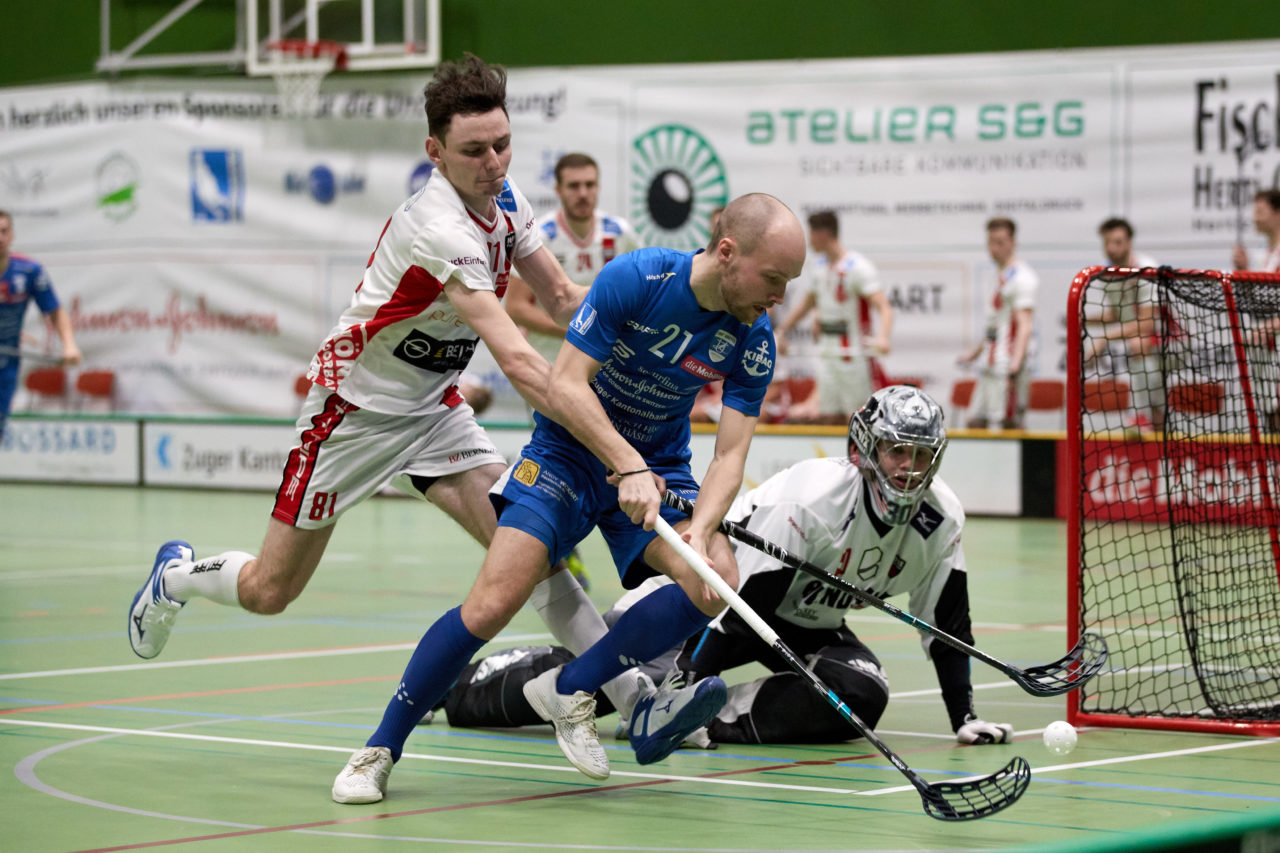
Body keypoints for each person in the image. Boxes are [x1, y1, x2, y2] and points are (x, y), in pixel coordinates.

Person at [126, 56, 651, 736]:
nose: (493, 162)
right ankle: (174, 577)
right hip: (354, 415)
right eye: (473, 151)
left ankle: (639, 697)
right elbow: (518, 357)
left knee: (529, 548)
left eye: (502, 144)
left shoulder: (507, 198)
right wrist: (617, 448)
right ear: (434, 152)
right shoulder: (439, 228)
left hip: (434, 409)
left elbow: (563, 296)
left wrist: (643, 328)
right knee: (270, 591)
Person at [331, 192, 807, 803]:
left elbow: (731, 454)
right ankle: (379, 748)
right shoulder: (638, 278)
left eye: (788, 283)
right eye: (773, 279)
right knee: (492, 603)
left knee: (712, 576)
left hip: (658, 468)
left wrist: (701, 525)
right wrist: (625, 461)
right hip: (567, 454)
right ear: (727, 251)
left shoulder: (754, 338)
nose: (779, 297)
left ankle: (569, 689)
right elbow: (565, 383)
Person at [429, 386, 1014, 749]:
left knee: (861, 692)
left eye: (921, 455)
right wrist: (672, 694)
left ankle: (722, 719)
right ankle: (458, 692)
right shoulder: (812, 500)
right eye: (897, 451)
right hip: (710, 602)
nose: (909, 469)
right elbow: (734, 608)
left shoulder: (942, 519)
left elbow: (947, 622)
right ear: (864, 451)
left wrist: (964, 716)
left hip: (801, 622)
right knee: (609, 685)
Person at [506, 152, 644, 586]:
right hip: (553, 370)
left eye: (590, 185)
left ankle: (629, 550)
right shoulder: (540, 236)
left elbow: (645, 298)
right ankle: (563, 547)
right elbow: (514, 308)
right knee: (565, 457)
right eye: (574, 186)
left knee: (614, 453)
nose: (583, 194)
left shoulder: (620, 234)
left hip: (612, 372)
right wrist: (580, 331)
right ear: (560, 190)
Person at [775, 210, 892, 425]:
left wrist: (883, 337)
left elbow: (884, 307)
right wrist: (783, 330)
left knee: (857, 418)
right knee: (828, 415)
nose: (809, 240)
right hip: (827, 353)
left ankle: (860, 458)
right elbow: (808, 303)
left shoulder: (858, 267)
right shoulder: (819, 267)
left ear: (824, 234)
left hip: (853, 355)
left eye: (811, 233)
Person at [0, 209, 82, 437]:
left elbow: (55, 311)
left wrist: (69, 345)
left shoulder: (29, 271)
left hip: (6, 366)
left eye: (4, 231)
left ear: (12, 235)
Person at [1086, 218, 1167, 435]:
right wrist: (1083, 319)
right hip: (1147, 348)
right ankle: (1151, 420)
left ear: (1129, 242)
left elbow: (1146, 324)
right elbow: (1117, 314)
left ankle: (1140, 415)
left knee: (1138, 344)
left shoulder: (1146, 270)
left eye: (1118, 242)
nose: (1112, 248)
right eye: (1107, 243)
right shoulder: (1108, 275)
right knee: (1158, 405)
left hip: (1174, 344)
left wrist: (1102, 339)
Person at [957, 218, 1038, 430]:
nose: (994, 248)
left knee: (1009, 423)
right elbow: (995, 324)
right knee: (975, 421)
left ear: (1012, 242)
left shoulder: (1023, 277)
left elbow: (1025, 324)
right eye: (991, 242)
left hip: (1008, 363)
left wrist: (1015, 365)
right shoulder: (998, 275)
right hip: (990, 362)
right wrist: (975, 353)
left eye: (1000, 242)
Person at [1231, 188, 1280, 274]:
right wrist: (1244, 270)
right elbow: (1263, 287)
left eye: (1260, 212)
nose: (1255, 218)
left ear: (1277, 213)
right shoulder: (1260, 255)